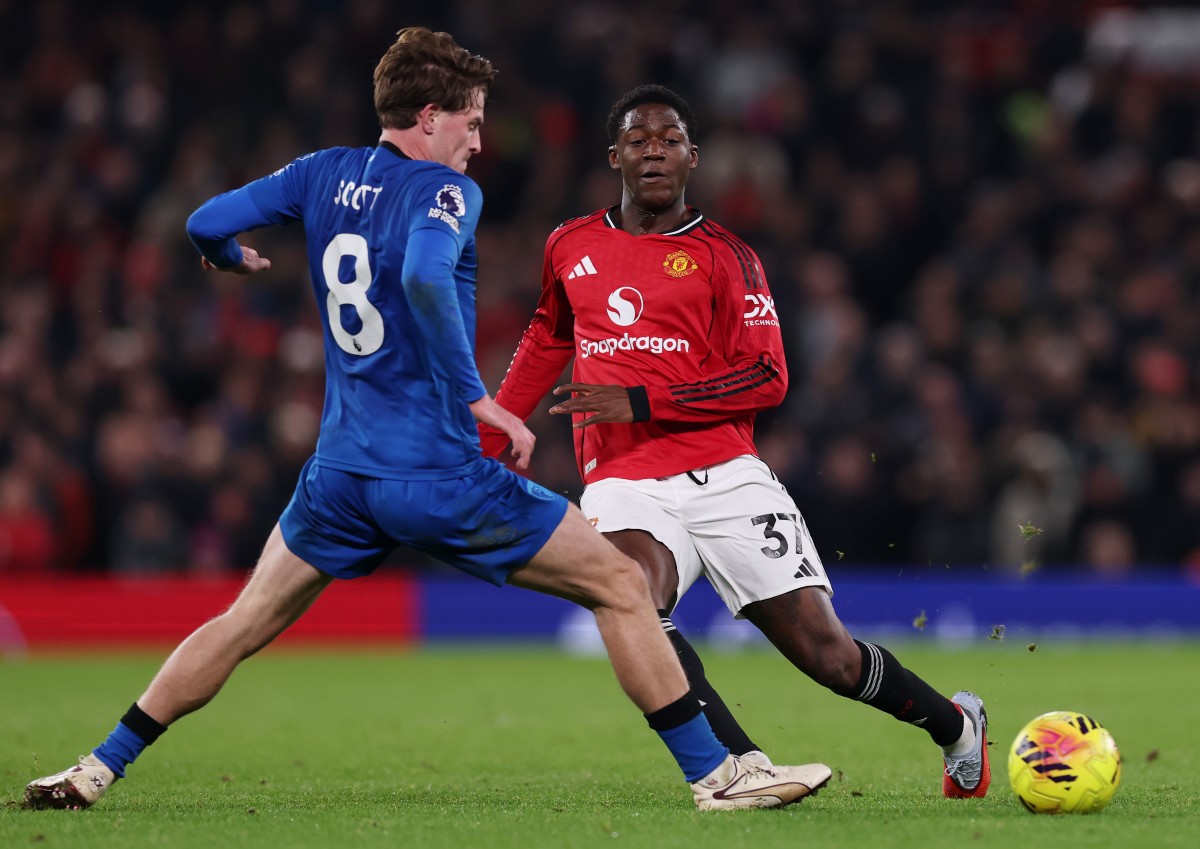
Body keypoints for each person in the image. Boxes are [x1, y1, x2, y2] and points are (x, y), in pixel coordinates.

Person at [22, 32, 831, 813]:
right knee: (620, 586)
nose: (479, 142)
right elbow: (422, 273)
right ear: (432, 115)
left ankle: (99, 765)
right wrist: (476, 396)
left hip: (339, 474)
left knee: (240, 623)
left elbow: (205, 220)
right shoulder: (447, 192)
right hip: (438, 474)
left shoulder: (318, 172)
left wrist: (228, 258)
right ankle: (717, 778)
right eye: (472, 121)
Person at [479, 84, 990, 798]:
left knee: (829, 657)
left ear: (694, 157)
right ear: (614, 157)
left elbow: (767, 376)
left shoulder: (728, 257)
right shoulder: (571, 244)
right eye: (638, 139)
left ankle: (956, 725)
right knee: (632, 599)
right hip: (623, 477)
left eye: (669, 139)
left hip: (725, 472)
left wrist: (641, 398)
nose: (653, 149)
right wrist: (493, 430)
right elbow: (547, 337)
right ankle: (739, 767)